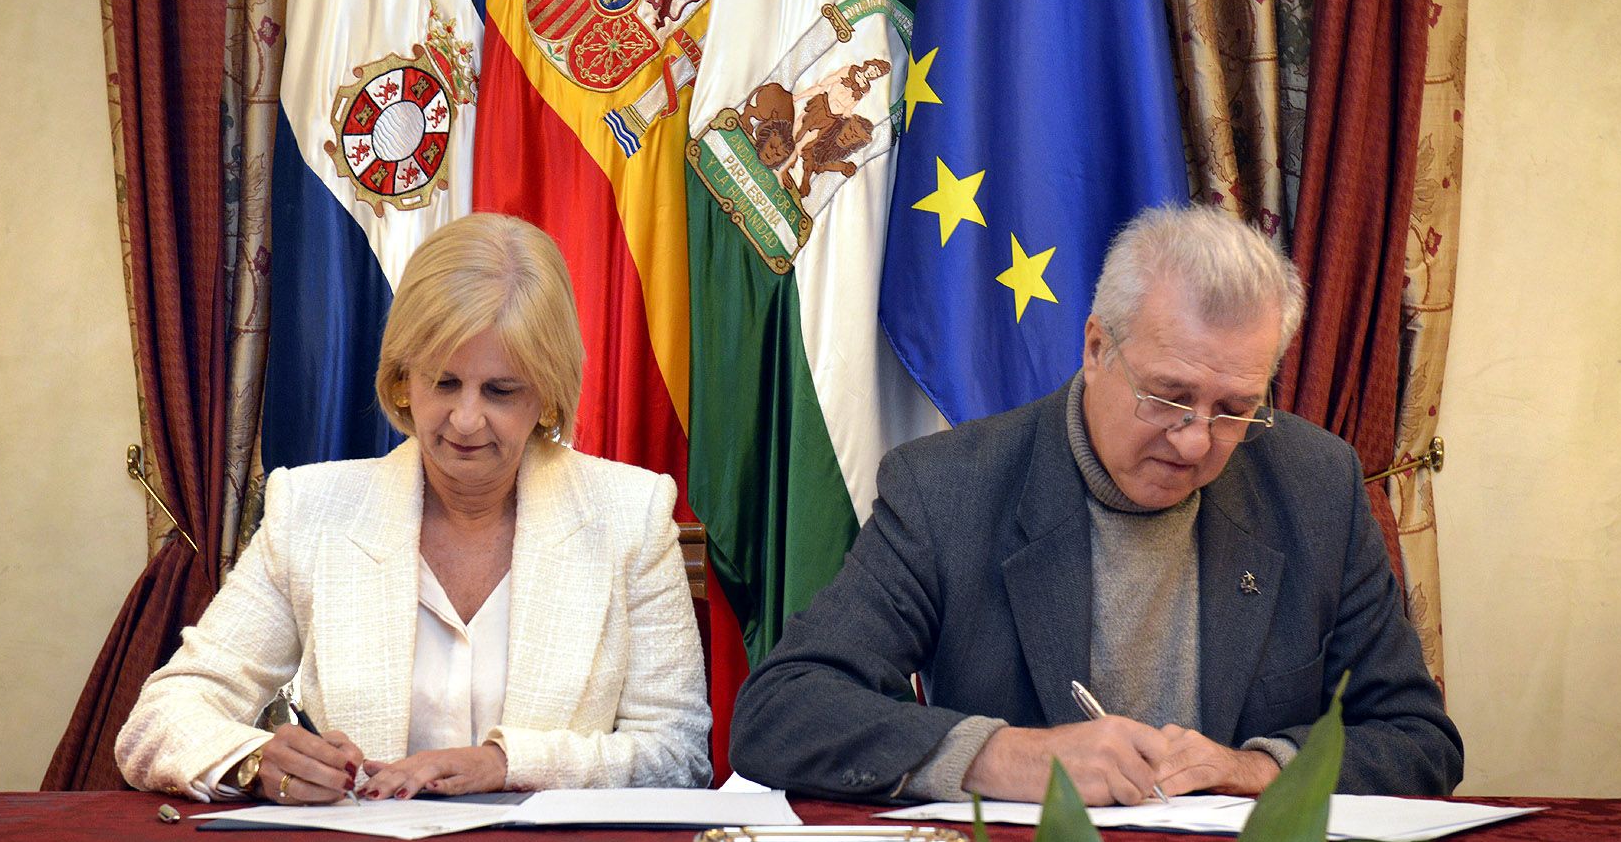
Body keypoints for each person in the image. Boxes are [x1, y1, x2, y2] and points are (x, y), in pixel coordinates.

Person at [729, 205, 1462, 805]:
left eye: (1235, 408)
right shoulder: (948, 487)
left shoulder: (1314, 483)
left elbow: (1418, 739)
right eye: (1169, 396)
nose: (1195, 440)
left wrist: (1258, 768)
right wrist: (1005, 755)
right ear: (1094, 347)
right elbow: (781, 710)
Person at [117, 214, 711, 803]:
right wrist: (252, 761)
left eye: (501, 391)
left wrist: (506, 764)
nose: (467, 420)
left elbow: (677, 753)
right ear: (403, 380)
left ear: (548, 397)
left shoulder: (630, 514)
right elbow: (158, 719)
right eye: (444, 384)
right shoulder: (313, 512)